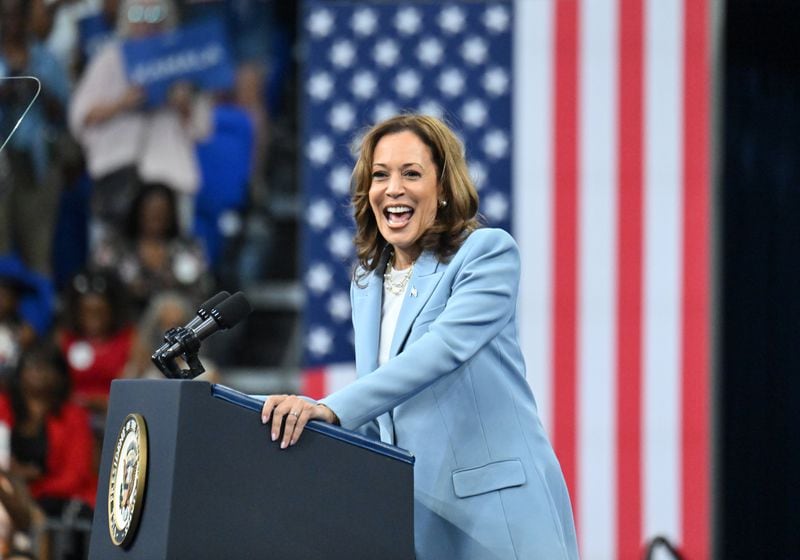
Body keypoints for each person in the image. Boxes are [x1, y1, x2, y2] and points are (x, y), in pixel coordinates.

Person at [260, 114, 579, 560]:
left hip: (499, 516)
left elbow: (441, 351)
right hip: (418, 523)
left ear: (444, 189)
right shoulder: (367, 285)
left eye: (412, 173)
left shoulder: (485, 254)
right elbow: (379, 419)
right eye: (380, 175)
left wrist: (330, 408)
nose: (393, 188)